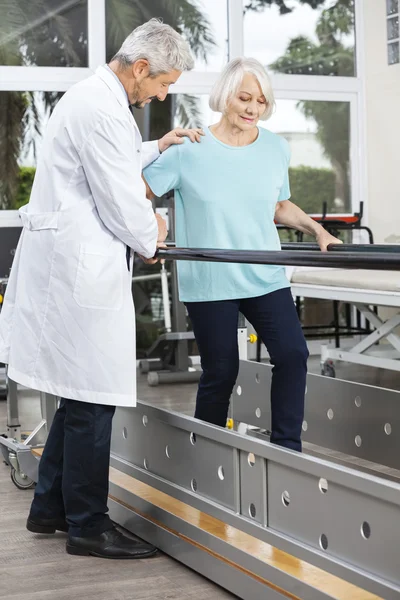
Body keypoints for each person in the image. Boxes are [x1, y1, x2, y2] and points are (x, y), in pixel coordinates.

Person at [0, 19, 203, 559]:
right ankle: (88, 525)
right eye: (162, 84)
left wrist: (157, 144)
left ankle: (48, 511)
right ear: (141, 68)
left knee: (77, 396)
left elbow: (108, 160)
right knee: (94, 402)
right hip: (77, 272)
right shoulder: (99, 108)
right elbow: (120, 201)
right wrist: (154, 230)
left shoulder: (97, 101)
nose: (162, 94)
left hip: (72, 269)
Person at [143, 57, 341, 453]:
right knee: (221, 370)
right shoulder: (189, 150)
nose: (253, 108)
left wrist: (318, 230)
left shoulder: (275, 148)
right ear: (224, 97)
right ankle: (207, 455)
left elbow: (279, 205)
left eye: (261, 101)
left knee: (293, 353)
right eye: (245, 98)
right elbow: (141, 191)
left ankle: (288, 452)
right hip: (211, 280)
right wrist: (154, 228)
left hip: (263, 272)